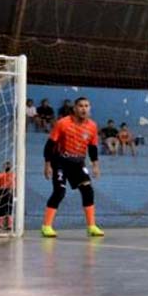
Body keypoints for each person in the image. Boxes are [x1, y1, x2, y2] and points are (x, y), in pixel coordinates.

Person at [41, 97, 103, 238]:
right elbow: (49, 145)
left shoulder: (92, 126)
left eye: (86, 106)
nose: (83, 109)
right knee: (59, 192)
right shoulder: (63, 123)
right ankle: (46, 226)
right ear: (74, 108)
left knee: (88, 190)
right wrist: (47, 164)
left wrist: (95, 165)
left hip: (78, 162)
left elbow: (92, 148)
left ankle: (91, 226)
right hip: (60, 161)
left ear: (90, 108)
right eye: (80, 106)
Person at [0, 160, 15, 231]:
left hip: (6, 193)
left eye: (8, 165)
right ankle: (4, 225)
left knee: (6, 209)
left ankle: (6, 225)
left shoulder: (12, 175)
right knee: (4, 209)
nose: (8, 167)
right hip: (4, 193)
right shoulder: (1, 175)